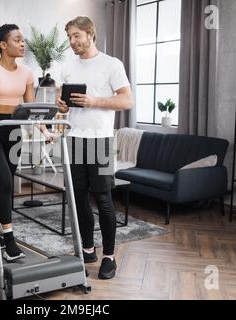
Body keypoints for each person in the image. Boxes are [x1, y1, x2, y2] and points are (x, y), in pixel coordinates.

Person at [56, 16, 133, 279]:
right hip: (73, 138)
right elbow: (62, 103)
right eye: (69, 37)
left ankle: (109, 256)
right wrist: (62, 105)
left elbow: (126, 101)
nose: (72, 41)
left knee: (103, 199)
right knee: (77, 199)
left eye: (76, 35)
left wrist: (94, 101)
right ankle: (87, 249)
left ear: (91, 34)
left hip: (100, 140)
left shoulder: (112, 64)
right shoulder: (67, 66)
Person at [0, 24, 53, 262]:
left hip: (14, 131)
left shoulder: (26, 73)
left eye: (23, 40)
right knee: (4, 180)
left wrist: (44, 130)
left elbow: (30, 108)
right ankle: (8, 240)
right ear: (3, 45)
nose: (23, 44)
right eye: (17, 40)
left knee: (5, 184)